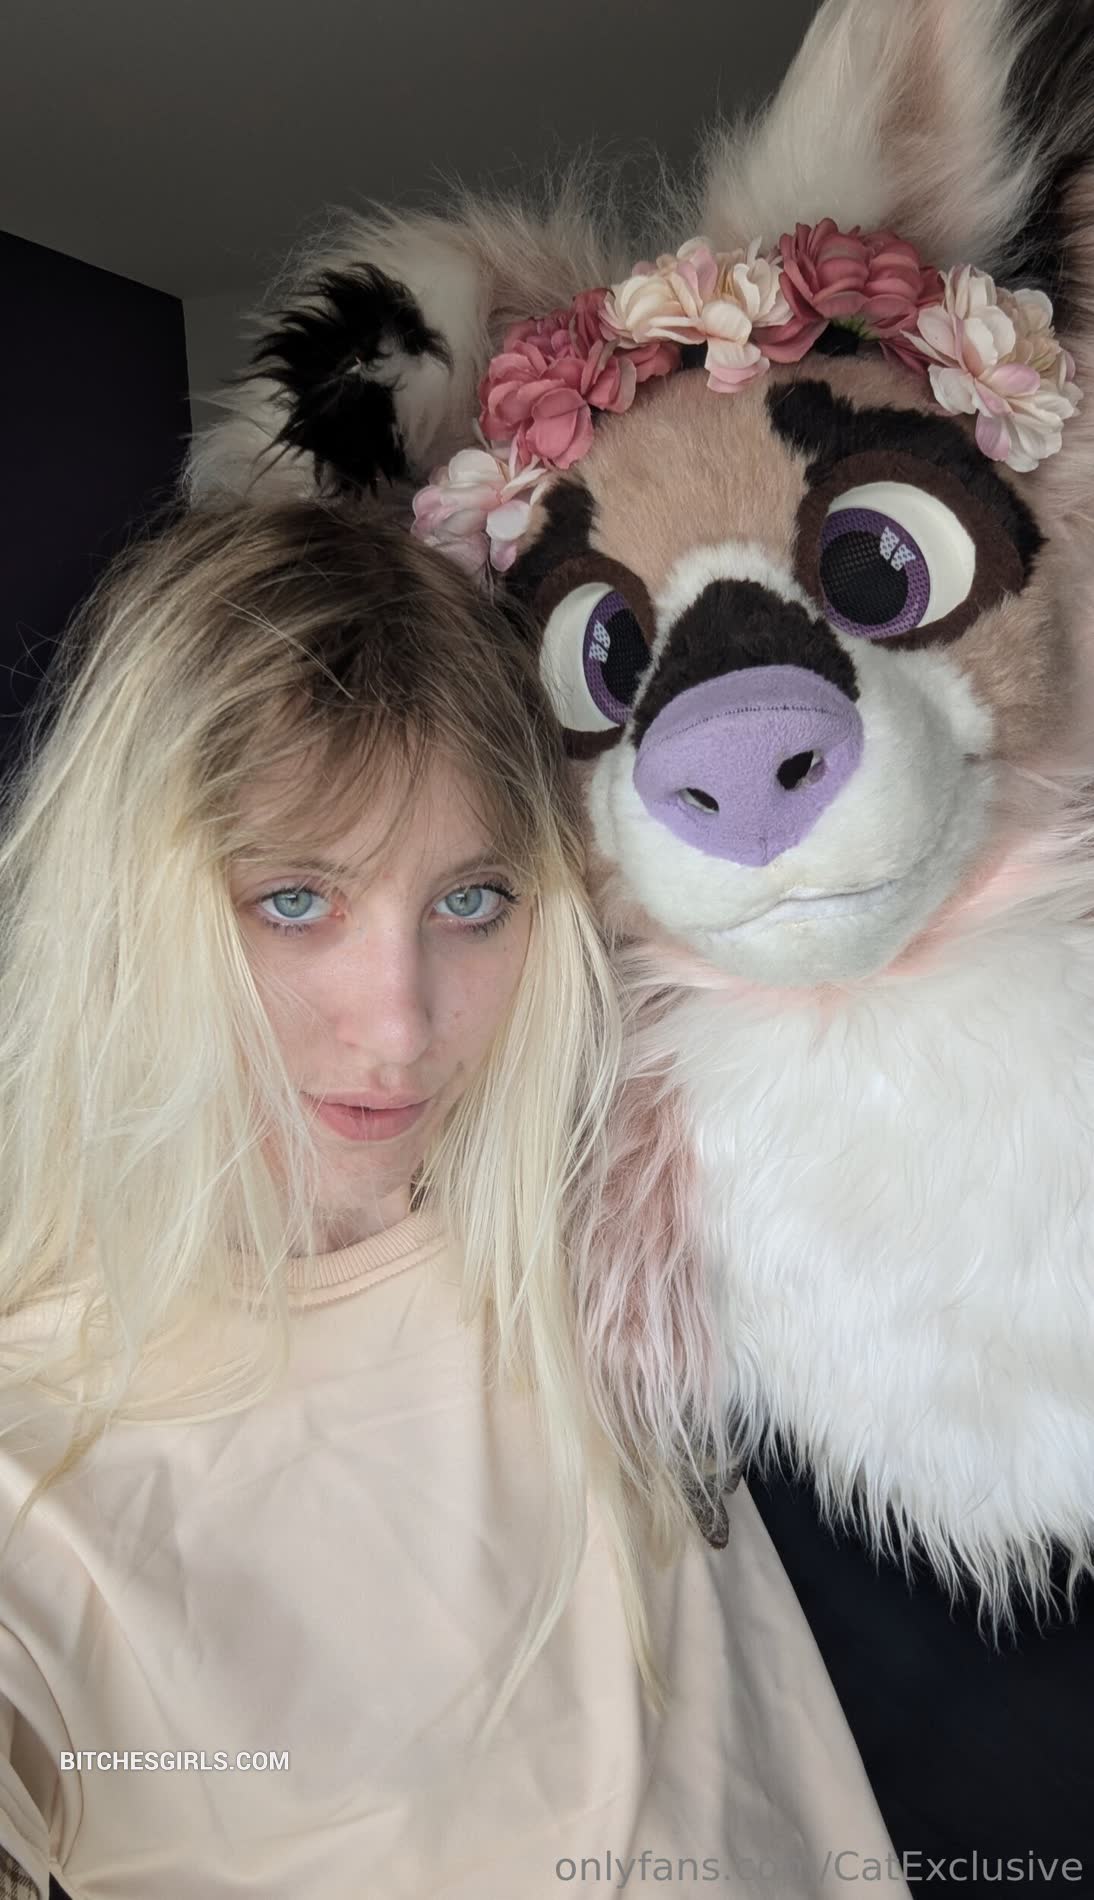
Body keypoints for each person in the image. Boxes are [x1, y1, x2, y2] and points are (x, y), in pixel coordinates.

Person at [0, 502, 901, 1899]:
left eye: (471, 901)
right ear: (123, 904)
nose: (401, 1026)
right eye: (294, 901)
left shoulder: (603, 1210)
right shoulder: (32, 1466)